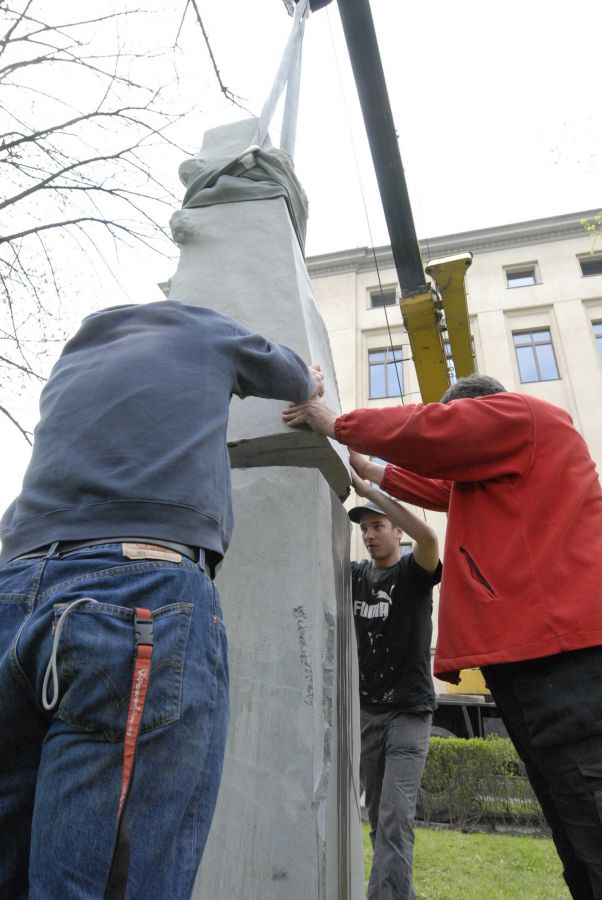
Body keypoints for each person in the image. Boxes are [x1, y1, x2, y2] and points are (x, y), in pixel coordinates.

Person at [0, 298, 323, 900]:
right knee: (100, 881)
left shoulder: (78, 352)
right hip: (133, 596)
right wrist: (311, 378)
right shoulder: (207, 327)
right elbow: (294, 376)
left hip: (15, 589)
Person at [283, 374, 602, 899]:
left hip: (562, 662)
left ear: (479, 414)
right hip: (537, 666)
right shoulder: (505, 471)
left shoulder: (521, 415)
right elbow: (439, 486)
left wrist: (339, 424)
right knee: (575, 830)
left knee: (590, 818)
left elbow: (434, 436)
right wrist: (366, 468)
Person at [348, 474, 440, 900]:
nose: (369, 535)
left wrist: (372, 490)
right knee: (378, 822)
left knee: (394, 820)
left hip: (408, 714)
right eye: (364, 528)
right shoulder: (354, 577)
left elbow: (429, 536)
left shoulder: (413, 573)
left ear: (397, 529)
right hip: (368, 713)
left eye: (378, 525)